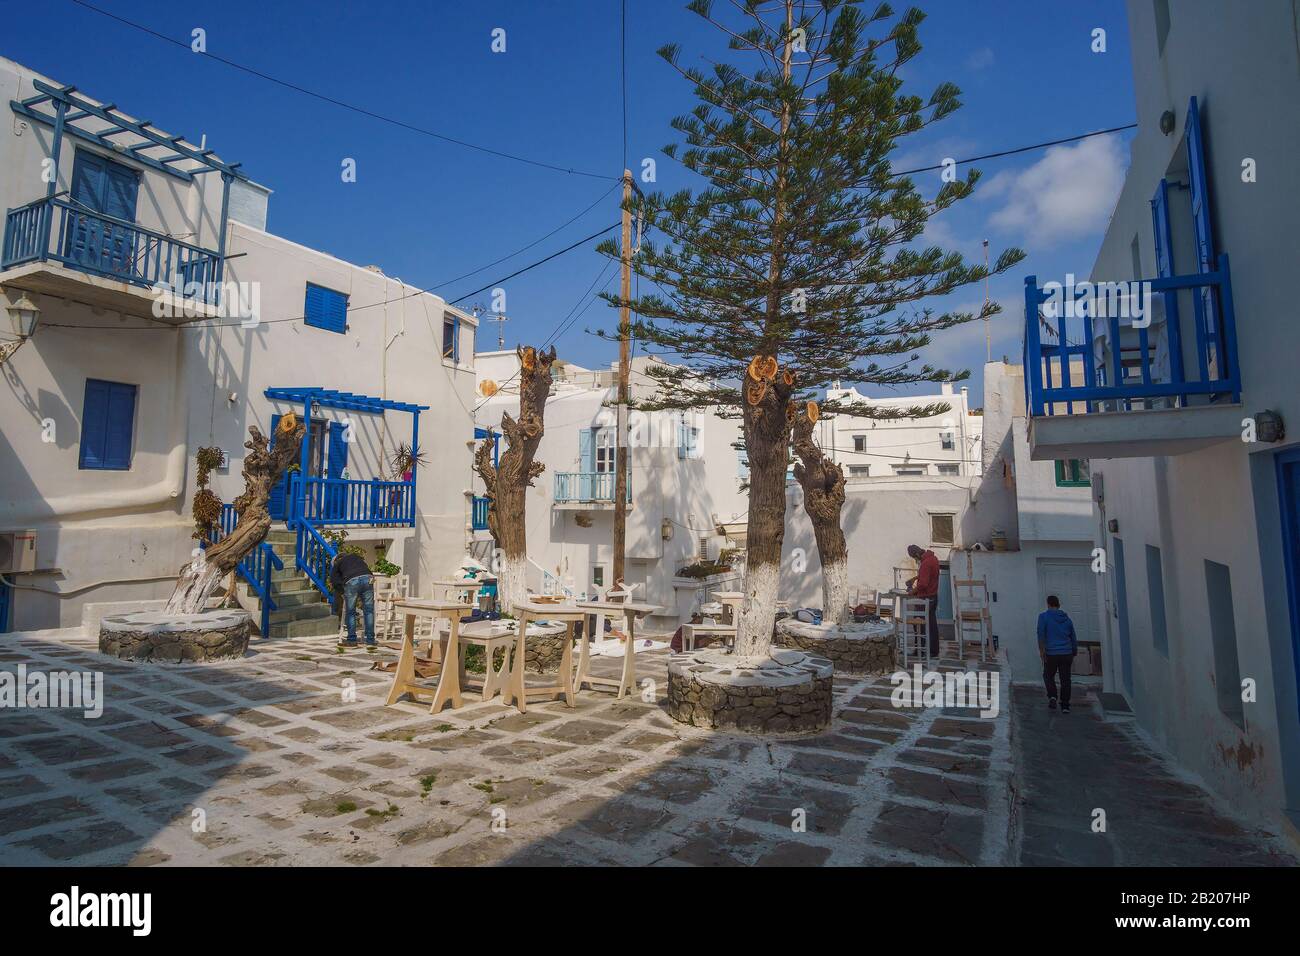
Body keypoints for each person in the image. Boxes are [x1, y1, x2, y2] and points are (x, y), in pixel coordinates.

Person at [1037, 594, 1078, 713]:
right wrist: (1074, 651)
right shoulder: (1067, 619)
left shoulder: (1043, 617)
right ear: (1058, 605)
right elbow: (1073, 636)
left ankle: (1053, 696)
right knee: (1065, 679)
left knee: (1048, 675)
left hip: (1052, 653)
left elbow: (1040, 634)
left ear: (1048, 604)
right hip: (1066, 653)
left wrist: (1041, 651)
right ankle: (1065, 705)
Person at [330, 551, 375, 646]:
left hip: (352, 581)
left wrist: (342, 592)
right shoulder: (356, 557)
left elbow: (334, 581)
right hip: (368, 578)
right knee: (369, 611)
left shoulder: (337, 563)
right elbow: (365, 569)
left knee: (350, 612)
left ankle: (352, 639)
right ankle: (370, 640)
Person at [905, 544, 940, 656]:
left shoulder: (925, 563)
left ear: (916, 554)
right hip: (933, 597)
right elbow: (929, 576)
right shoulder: (933, 558)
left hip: (925, 598)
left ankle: (920, 650)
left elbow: (923, 585)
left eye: (914, 558)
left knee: (919, 625)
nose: (915, 560)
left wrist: (912, 592)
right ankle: (933, 651)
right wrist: (915, 578)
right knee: (932, 625)